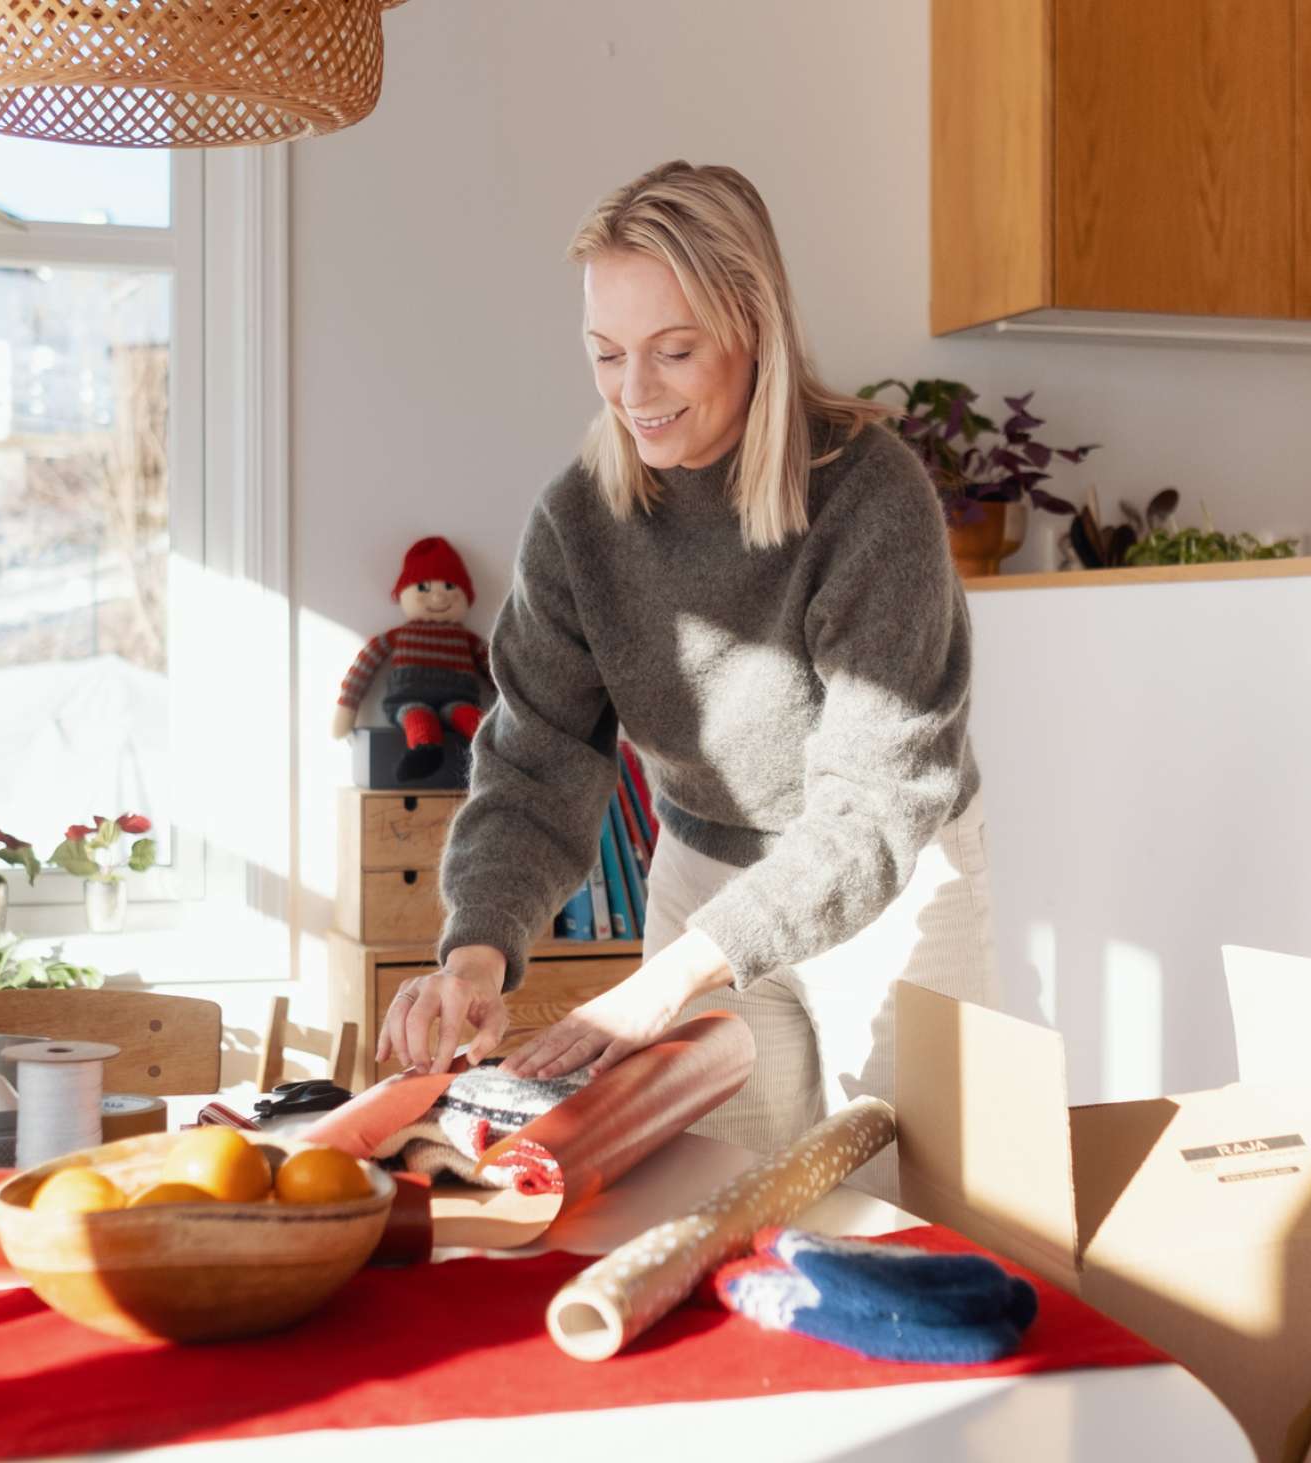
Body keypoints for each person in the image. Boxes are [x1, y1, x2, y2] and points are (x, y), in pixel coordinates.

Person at [377, 160, 993, 1183]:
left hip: (890, 886)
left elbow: (871, 809)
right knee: (710, 1199)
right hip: (706, 869)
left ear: (754, 328)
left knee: (908, 1218)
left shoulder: (868, 499)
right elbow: (535, 762)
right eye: (605, 352)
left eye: (672, 351)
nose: (632, 392)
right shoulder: (579, 521)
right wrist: (475, 949)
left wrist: (664, 981)